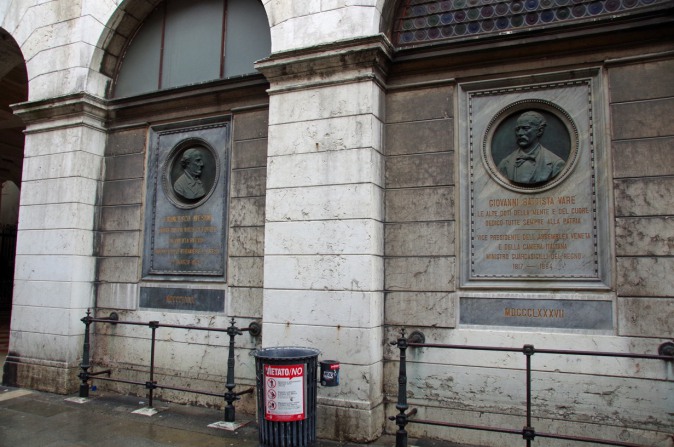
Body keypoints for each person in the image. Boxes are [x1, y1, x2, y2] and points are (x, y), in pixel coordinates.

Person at [497, 111, 565, 184]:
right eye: (517, 129)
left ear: (540, 131)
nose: (520, 133)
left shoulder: (556, 164)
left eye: (525, 128)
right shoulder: (504, 164)